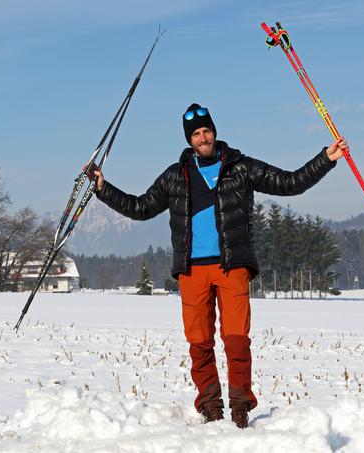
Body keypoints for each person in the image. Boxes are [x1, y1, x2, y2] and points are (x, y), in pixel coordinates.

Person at [93, 103, 346, 428]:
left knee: (237, 339)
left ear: (214, 132)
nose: (203, 137)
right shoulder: (175, 175)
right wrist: (102, 188)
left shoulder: (241, 167)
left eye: (206, 131)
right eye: (196, 134)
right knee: (199, 343)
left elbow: (289, 183)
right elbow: (140, 207)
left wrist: (325, 159)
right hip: (191, 270)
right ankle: (211, 407)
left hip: (232, 266)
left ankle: (240, 409)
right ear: (190, 139)